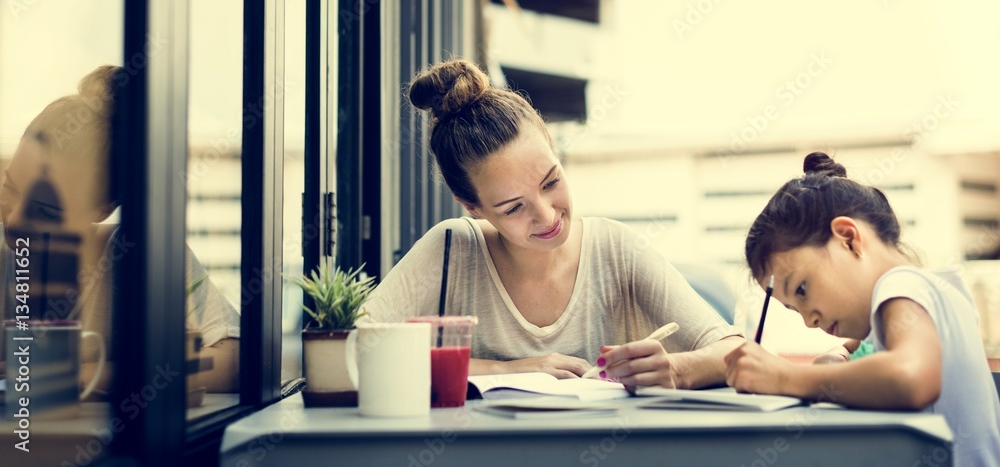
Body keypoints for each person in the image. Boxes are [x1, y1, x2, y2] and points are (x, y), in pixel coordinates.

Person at [365, 60, 742, 389]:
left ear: (555, 151)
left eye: (551, 182)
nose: (547, 216)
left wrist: (676, 368)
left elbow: (737, 350)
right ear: (473, 207)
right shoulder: (451, 250)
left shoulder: (616, 250)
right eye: (514, 208)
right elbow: (354, 353)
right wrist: (508, 370)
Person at [725, 152, 1000, 465]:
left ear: (848, 239)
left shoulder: (901, 286)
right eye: (792, 309)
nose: (809, 321)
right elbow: (860, 346)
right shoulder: (933, 288)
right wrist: (838, 359)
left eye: (801, 289)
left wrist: (784, 378)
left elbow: (911, 378)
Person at [0, 65, 240, 394]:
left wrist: (76, 375)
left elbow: (232, 359)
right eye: (10, 189)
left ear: (101, 210)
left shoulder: (133, 253)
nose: (13, 222)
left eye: (44, 209)